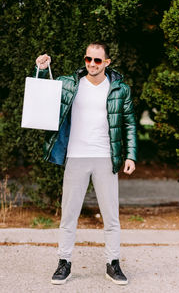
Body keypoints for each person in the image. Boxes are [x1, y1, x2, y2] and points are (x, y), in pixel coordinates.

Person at [35, 42, 137, 286]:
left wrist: (130, 155)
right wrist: (40, 68)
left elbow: (130, 124)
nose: (92, 64)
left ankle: (113, 264)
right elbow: (42, 95)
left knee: (111, 216)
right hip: (76, 156)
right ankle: (64, 263)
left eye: (98, 60)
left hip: (105, 157)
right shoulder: (70, 83)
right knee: (69, 215)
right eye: (88, 59)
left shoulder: (120, 89)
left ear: (107, 63)